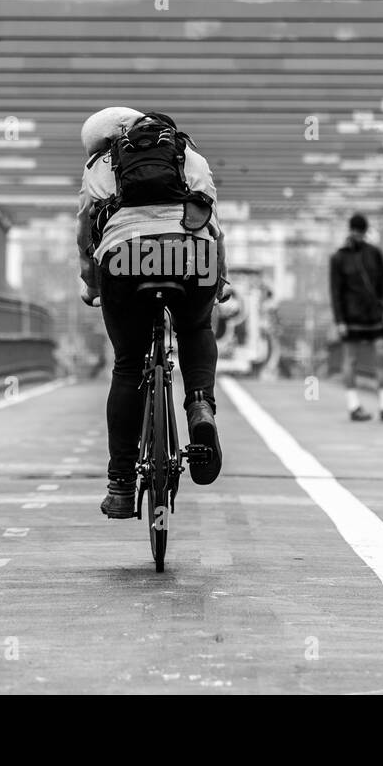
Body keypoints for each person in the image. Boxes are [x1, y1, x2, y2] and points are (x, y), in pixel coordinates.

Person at [76, 107, 230, 519]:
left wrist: (91, 284)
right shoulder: (188, 155)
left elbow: (85, 234)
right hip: (190, 255)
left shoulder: (100, 165)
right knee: (195, 325)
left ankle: (122, 486)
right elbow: (213, 222)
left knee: (128, 365)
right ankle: (199, 404)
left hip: (125, 259)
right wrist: (221, 281)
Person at [329, 212, 383, 422]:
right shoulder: (338, 257)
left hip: (374, 315)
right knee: (351, 361)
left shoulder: (374, 253)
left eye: (360, 232)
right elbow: (336, 291)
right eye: (356, 232)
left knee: (382, 357)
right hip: (352, 317)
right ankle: (354, 406)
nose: (358, 236)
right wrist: (340, 321)